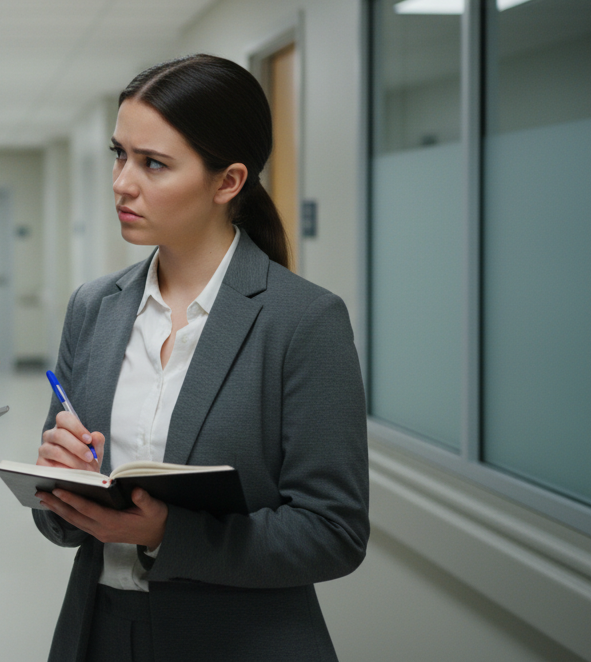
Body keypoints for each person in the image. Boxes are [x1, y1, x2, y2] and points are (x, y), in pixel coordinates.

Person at [31, 54, 369, 662]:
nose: (121, 182)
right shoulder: (94, 308)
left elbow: (334, 534)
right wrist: (59, 481)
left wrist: (167, 535)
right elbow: (57, 520)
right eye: (120, 154)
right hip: (99, 630)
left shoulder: (302, 321)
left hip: (238, 640)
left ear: (228, 182)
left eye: (153, 163)